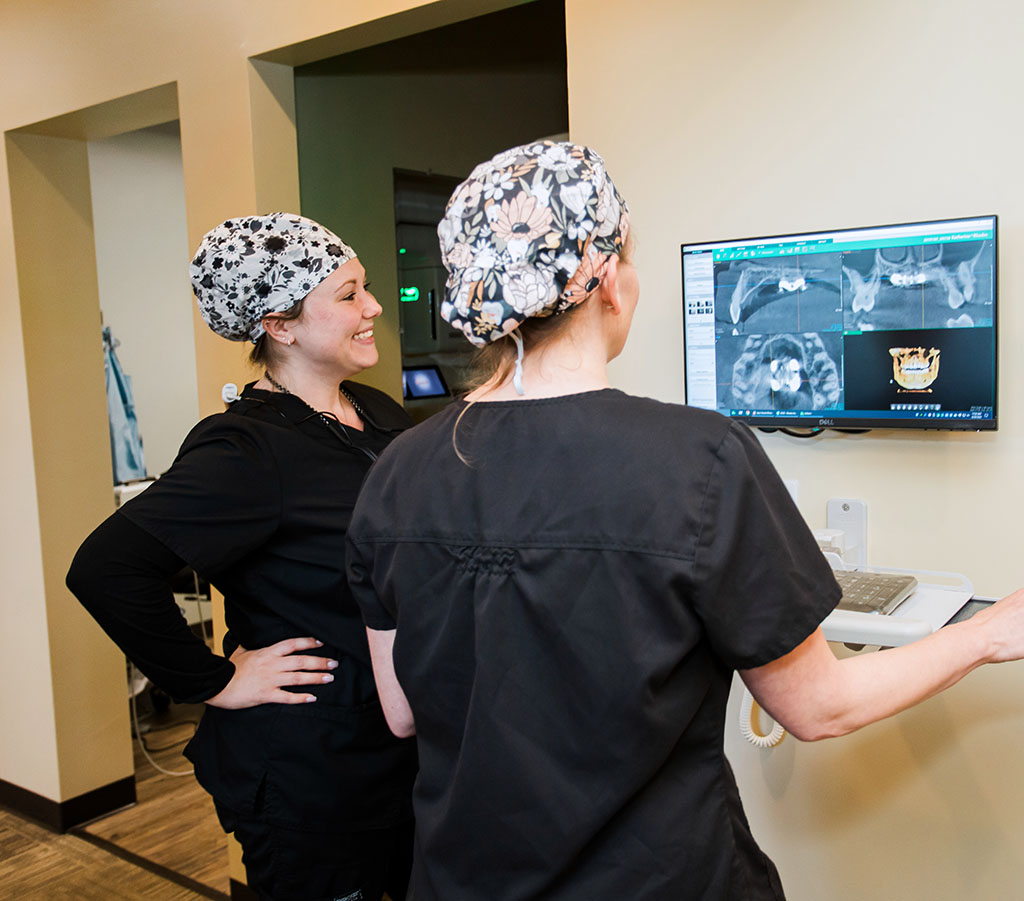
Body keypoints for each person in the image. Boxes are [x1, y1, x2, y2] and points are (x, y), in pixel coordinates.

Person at [344, 142, 1024, 900]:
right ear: (605, 280)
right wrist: (991, 632)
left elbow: (402, 711)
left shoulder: (393, 473)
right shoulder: (700, 459)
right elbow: (820, 706)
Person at [67, 213, 417, 901]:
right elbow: (106, 568)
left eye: (366, 287)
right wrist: (214, 680)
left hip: (398, 755)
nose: (373, 306)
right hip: (312, 774)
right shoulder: (243, 452)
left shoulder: (376, 413)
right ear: (279, 325)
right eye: (348, 295)